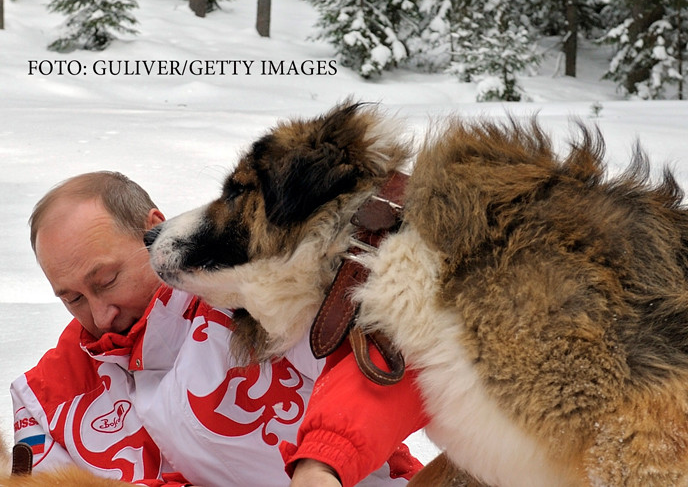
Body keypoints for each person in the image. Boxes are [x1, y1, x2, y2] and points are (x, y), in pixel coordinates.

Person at [11, 171, 428, 486]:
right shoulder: (45, 400)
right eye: (73, 299)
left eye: (106, 281)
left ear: (152, 230)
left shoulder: (255, 294)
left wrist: (321, 461)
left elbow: (395, 357)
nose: (101, 315)